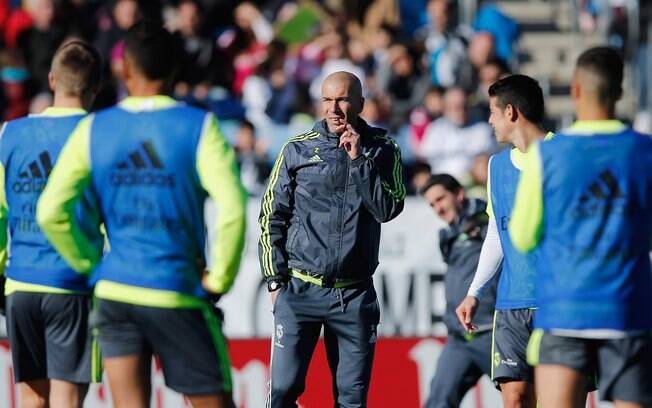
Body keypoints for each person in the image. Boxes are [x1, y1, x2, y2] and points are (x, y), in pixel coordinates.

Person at [37, 21, 247, 408]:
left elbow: (51, 210)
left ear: (125, 69)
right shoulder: (198, 125)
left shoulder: (95, 127)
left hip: (116, 293)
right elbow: (233, 207)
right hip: (176, 290)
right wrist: (220, 278)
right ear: (174, 71)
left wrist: (91, 266)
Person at [509, 46, 652, 408]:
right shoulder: (645, 152)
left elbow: (523, 236)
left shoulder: (547, 154)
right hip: (627, 312)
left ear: (575, 90)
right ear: (620, 92)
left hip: (563, 311)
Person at [259, 71, 405, 407]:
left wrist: (358, 160)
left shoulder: (384, 150)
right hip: (299, 290)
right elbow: (271, 216)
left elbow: (388, 208)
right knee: (282, 391)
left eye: (342, 99)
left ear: (360, 104)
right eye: (327, 99)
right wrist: (274, 281)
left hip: (354, 294)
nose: (334, 108)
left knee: (352, 400)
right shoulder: (296, 149)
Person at [0, 40, 102, 408]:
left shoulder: (8, 134)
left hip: (20, 282)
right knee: (68, 398)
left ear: (51, 78)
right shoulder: (98, 134)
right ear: (96, 87)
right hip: (72, 283)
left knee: (31, 398)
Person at [455, 74, 550, 408]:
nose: (490, 121)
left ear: (511, 112)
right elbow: (498, 232)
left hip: (558, 303)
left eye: (493, 113)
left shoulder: (564, 155)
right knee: (515, 399)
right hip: (511, 306)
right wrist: (474, 292)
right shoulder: (496, 167)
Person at [419, 174, 499, 408]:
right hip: (459, 337)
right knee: (437, 403)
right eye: (432, 204)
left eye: (441, 199)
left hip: (492, 333)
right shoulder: (449, 234)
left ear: (460, 194)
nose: (438, 209)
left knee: (522, 399)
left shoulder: (487, 223)